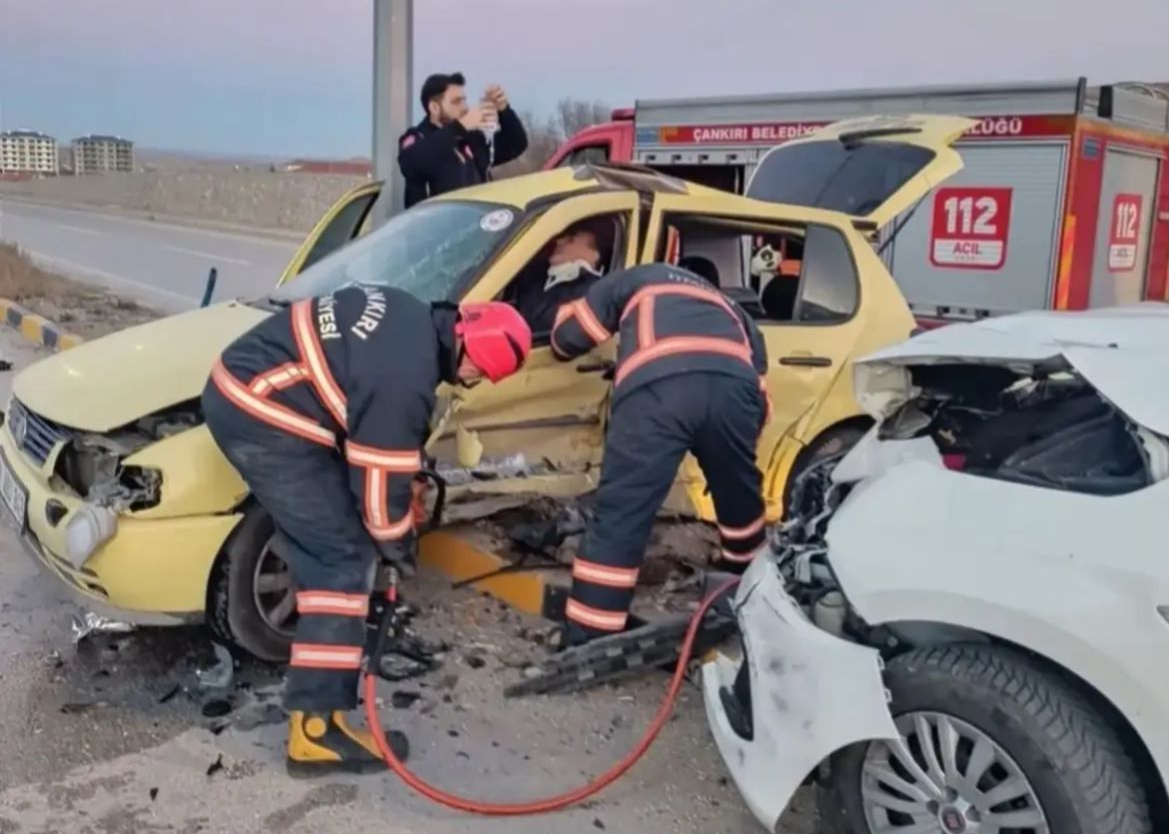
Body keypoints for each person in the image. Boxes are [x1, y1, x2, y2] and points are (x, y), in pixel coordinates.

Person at [201, 286, 532, 776]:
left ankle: (321, 711)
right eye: (477, 372)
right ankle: (314, 733)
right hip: (262, 415)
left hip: (248, 384)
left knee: (337, 538)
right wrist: (399, 547)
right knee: (341, 559)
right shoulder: (405, 377)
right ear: (464, 346)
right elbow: (379, 497)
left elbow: (367, 421)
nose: (472, 382)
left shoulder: (411, 317)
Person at [548, 263, 772, 645]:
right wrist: (735, 442)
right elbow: (762, 401)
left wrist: (560, 316)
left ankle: (590, 633)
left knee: (622, 513)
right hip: (735, 393)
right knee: (739, 497)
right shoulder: (734, 311)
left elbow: (568, 340)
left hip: (658, 390)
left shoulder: (636, 278)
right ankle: (745, 587)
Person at [398, 72, 529, 207]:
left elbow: (515, 145)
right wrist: (460, 127)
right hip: (436, 225)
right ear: (434, 107)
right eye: (457, 102)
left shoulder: (470, 139)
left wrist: (504, 110)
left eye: (464, 100)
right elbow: (413, 161)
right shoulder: (417, 137)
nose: (465, 107)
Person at [514, 220, 609, 337]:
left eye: (571, 240)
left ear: (593, 255)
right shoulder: (532, 276)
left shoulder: (593, 292)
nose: (559, 241)